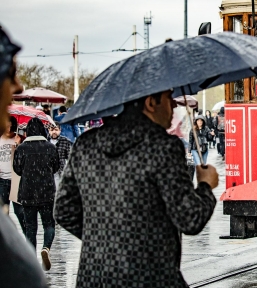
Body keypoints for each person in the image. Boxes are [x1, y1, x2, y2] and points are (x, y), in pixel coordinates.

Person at [54, 90, 219, 287]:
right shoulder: (162, 147)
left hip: (94, 277)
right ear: (150, 103)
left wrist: (106, 241)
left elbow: (64, 210)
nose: (174, 105)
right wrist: (205, 186)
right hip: (151, 277)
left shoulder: (85, 145)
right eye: (168, 99)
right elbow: (190, 218)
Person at [0, 25, 49, 288]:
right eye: (9, 73)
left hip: (20, 187)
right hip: (26, 187)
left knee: (24, 220)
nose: (17, 85)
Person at [13, 118, 60, 271]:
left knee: (31, 228)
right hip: (47, 192)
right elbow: (56, 167)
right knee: (49, 225)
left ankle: (32, 260)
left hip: (28, 193)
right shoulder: (50, 147)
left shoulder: (22, 148)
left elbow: (17, 170)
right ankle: (46, 248)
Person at [0, 116, 19, 212]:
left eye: (10, 126)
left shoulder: (18, 138)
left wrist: (17, 145)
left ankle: (25, 228)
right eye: (6, 126)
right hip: (2, 179)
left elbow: (22, 158)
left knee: (19, 211)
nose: (8, 129)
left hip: (16, 179)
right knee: (4, 210)